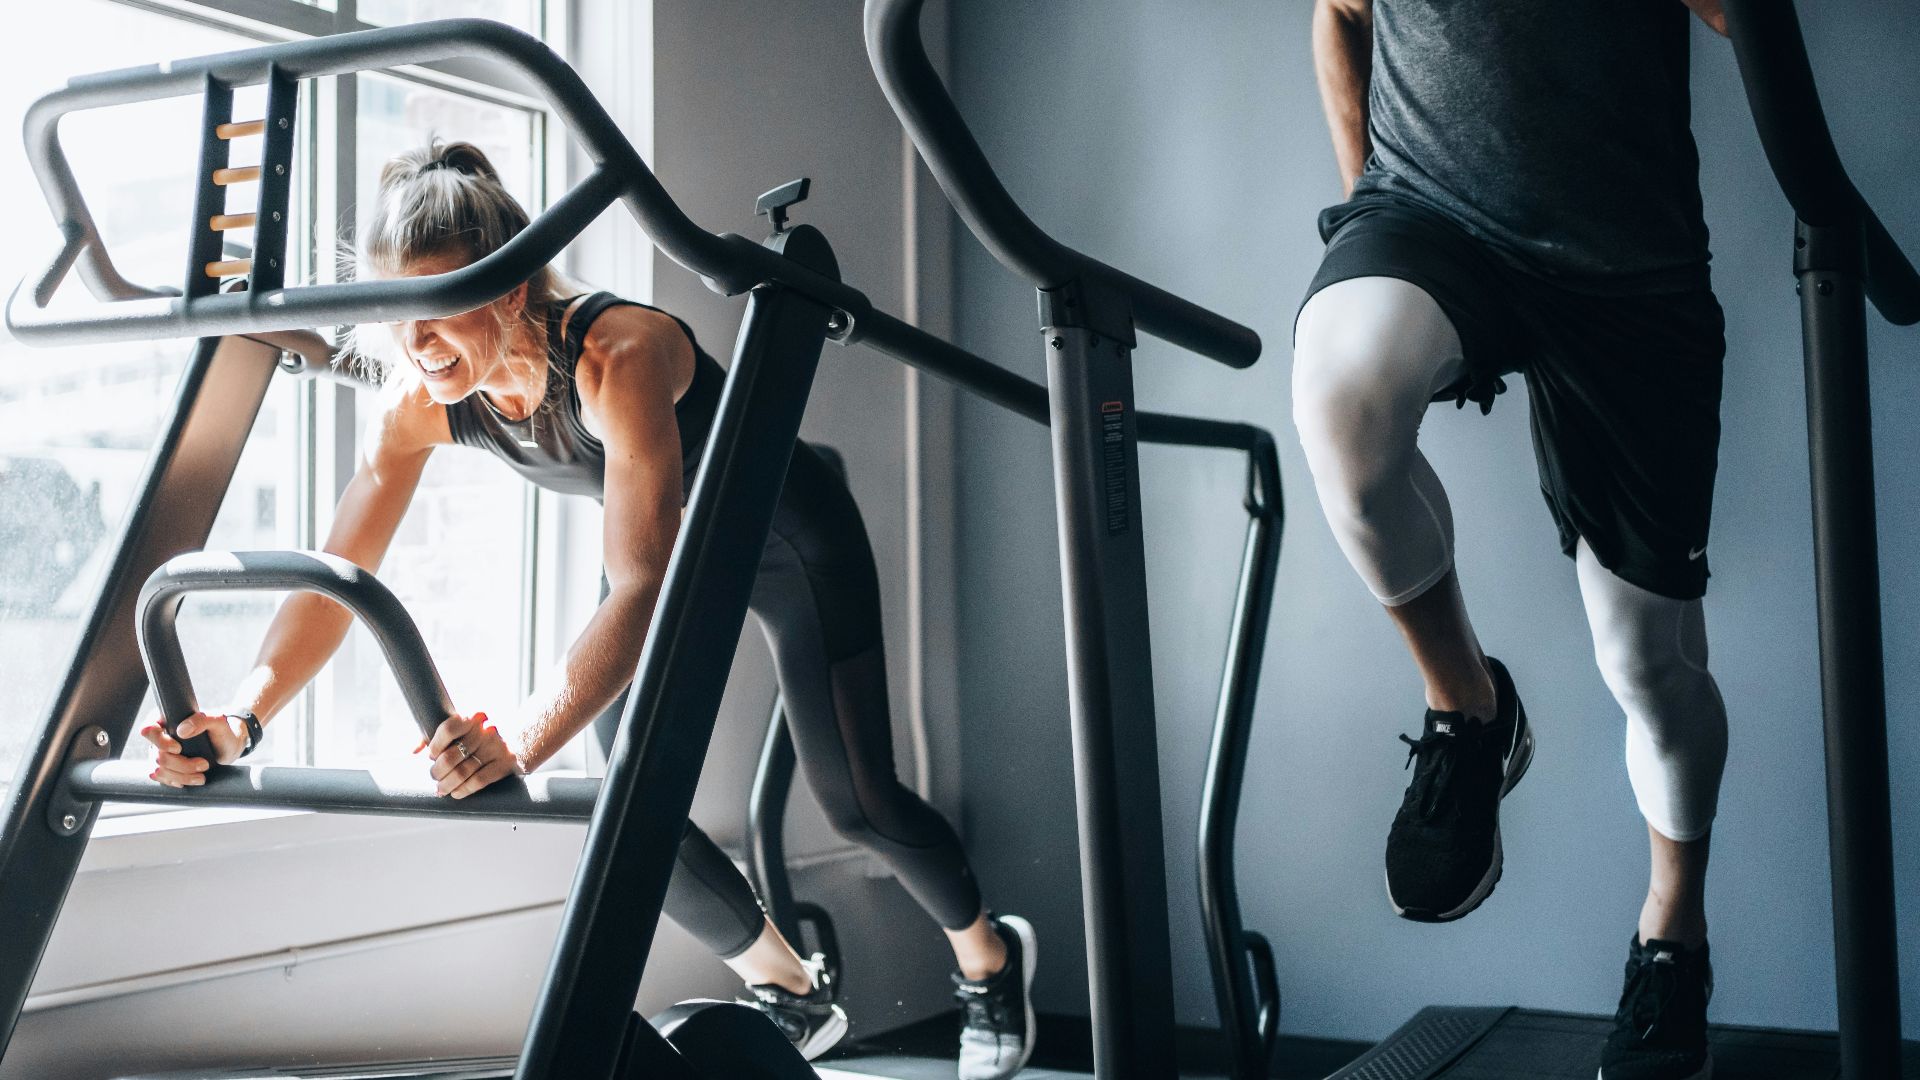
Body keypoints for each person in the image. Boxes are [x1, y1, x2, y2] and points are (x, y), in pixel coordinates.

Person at [140, 140, 1038, 1080]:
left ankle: (990, 957)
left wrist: (518, 742)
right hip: (670, 545)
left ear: (515, 288)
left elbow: (643, 585)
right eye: (398, 312)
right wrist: (242, 719)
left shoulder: (618, 353)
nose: (419, 344)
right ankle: (795, 992)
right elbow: (336, 575)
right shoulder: (420, 397)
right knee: (628, 789)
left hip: (790, 542)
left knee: (855, 799)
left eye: (443, 305)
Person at [1299, 2, 1733, 1077]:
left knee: (1648, 661)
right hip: (1429, 212)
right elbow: (1342, 12)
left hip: (1627, 260)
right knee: (1343, 401)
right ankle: (1467, 706)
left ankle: (1671, 931)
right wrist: (1365, 199)